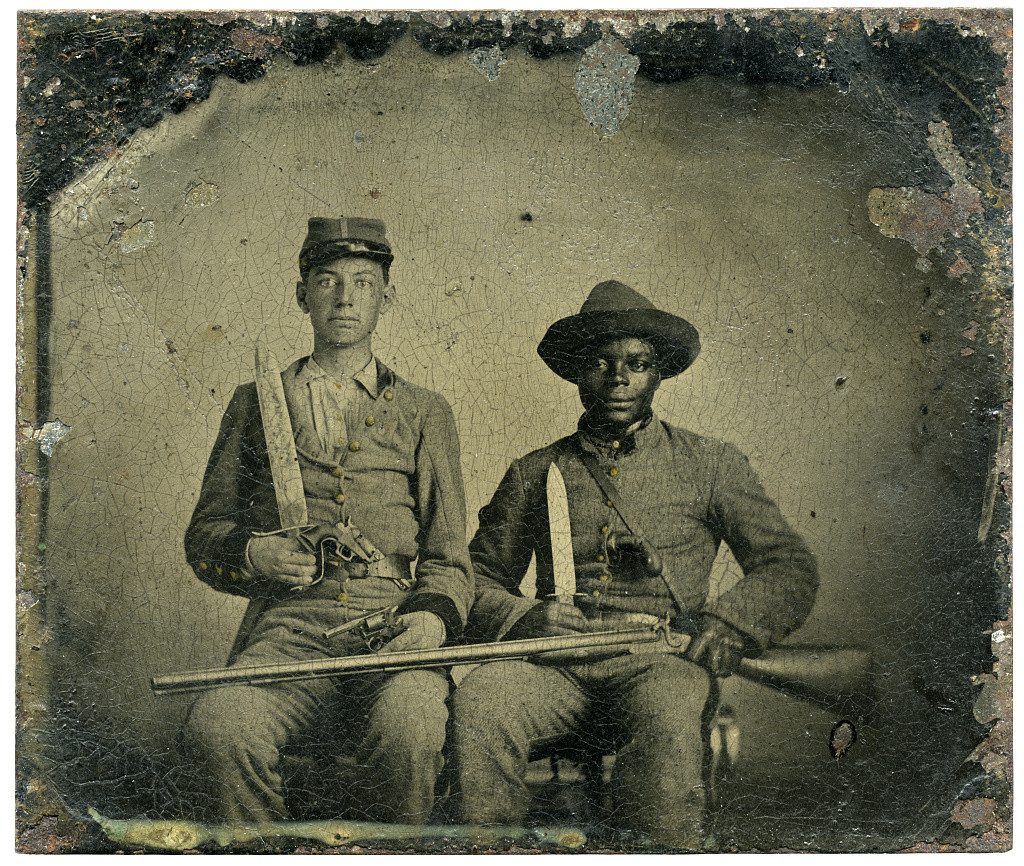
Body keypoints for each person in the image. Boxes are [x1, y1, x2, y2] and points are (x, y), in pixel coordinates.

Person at [448, 280, 819, 848]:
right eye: (599, 362)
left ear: (659, 372)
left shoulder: (710, 464)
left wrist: (729, 623)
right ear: (576, 372)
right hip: (555, 667)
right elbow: (475, 577)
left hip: (660, 661)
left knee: (670, 711)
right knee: (483, 700)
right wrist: (524, 617)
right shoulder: (535, 471)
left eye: (637, 363)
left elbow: (788, 565)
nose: (618, 377)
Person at [182, 217, 473, 825]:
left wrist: (429, 621)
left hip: (395, 626)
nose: (344, 298)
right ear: (302, 295)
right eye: (327, 280)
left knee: (413, 726)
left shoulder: (425, 412)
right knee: (221, 724)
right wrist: (252, 553)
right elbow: (206, 533)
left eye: (363, 283)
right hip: (288, 628)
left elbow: (449, 560)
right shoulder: (256, 402)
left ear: (386, 297)